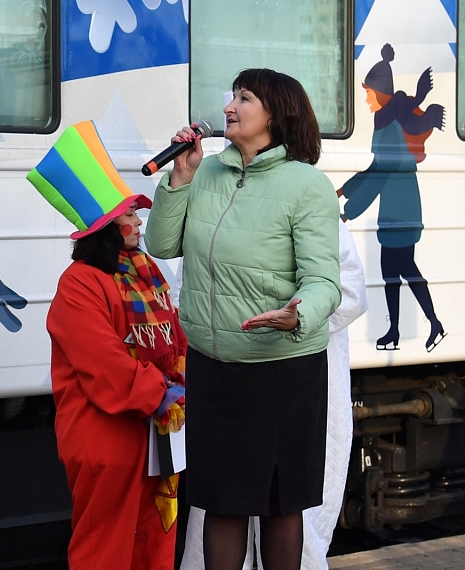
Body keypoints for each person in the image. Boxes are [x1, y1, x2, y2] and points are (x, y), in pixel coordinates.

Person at [144, 68, 341, 570]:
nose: (230, 105)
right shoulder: (205, 172)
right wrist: (180, 177)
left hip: (283, 372)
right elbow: (161, 245)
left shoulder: (306, 185)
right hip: (214, 368)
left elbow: (324, 282)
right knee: (221, 502)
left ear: (276, 114)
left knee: (279, 505)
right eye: (232, 95)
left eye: (245, 97)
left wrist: (297, 316)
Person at [28, 121, 186, 569]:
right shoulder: (78, 284)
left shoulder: (143, 270)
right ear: (104, 229)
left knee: (155, 540)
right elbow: (104, 363)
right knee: (106, 551)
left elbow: (173, 336)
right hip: (108, 441)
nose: (138, 222)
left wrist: (186, 380)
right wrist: (162, 394)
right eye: (129, 216)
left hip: (156, 433)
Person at [180, 218, 368, 570]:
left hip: (298, 378)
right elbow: (187, 288)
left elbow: (350, 291)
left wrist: (291, 323)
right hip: (232, 378)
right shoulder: (221, 199)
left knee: (288, 503)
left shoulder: (313, 202)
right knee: (224, 502)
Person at [338, 44, 445, 352]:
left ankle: (416, 327)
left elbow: (381, 173)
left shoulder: (386, 126)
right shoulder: (386, 122)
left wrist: (350, 210)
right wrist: (346, 189)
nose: (367, 98)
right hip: (401, 205)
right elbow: (374, 169)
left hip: (399, 209)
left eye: (369, 92)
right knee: (398, 271)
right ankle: (407, 329)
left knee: (398, 270)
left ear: (380, 94)